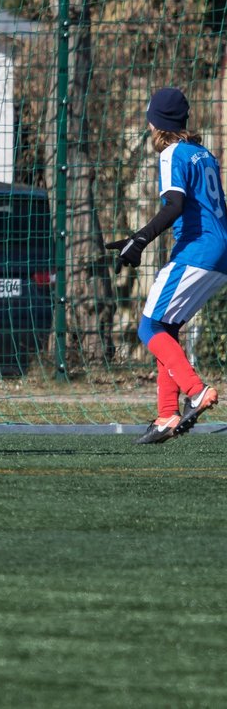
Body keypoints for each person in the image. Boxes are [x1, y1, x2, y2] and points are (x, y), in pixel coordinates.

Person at [107, 87, 224, 444]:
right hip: (219, 252)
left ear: (156, 123)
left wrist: (139, 239)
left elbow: (174, 204)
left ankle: (196, 390)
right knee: (166, 328)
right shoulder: (203, 154)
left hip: (197, 250)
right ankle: (166, 415)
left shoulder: (171, 153)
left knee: (148, 327)